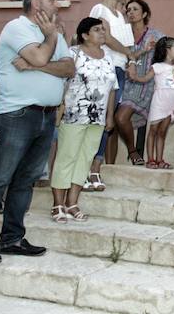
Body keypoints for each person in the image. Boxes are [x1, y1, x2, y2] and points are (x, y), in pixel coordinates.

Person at [0, 0, 74, 267]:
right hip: (16, 114)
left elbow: (69, 68)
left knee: (25, 181)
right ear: (35, 3)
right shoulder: (17, 28)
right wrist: (50, 39)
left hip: (46, 115)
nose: (58, 4)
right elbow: (42, 55)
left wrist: (38, 63)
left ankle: (13, 238)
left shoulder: (52, 31)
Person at [51, 18, 118, 222]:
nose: (102, 33)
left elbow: (112, 88)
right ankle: (58, 205)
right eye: (96, 30)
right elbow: (62, 83)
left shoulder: (108, 57)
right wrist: (58, 110)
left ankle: (72, 203)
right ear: (85, 35)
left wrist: (109, 115)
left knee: (85, 159)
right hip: (74, 114)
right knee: (67, 157)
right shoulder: (73, 53)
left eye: (103, 29)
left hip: (97, 117)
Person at [87, 0, 134, 185]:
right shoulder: (100, 10)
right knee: (100, 117)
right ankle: (90, 166)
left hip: (120, 69)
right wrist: (129, 54)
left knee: (109, 118)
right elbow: (107, 38)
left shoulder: (121, 15)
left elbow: (129, 44)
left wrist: (131, 60)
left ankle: (97, 164)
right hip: (105, 68)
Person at [112, 0, 164, 165]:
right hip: (123, 82)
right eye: (128, 10)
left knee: (120, 118)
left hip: (145, 84)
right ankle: (108, 165)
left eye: (135, 9)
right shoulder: (122, 35)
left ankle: (133, 152)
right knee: (112, 122)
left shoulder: (156, 35)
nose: (131, 12)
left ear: (145, 13)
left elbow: (167, 57)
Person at [143, 36, 174, 169]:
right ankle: (150, 159)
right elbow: (145, 79)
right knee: (153, 130)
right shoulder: (157, 67)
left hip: (170, 106)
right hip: (159, 102)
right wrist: (134, 75)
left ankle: (160, 159)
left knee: (162, 132)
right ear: (167, 50)